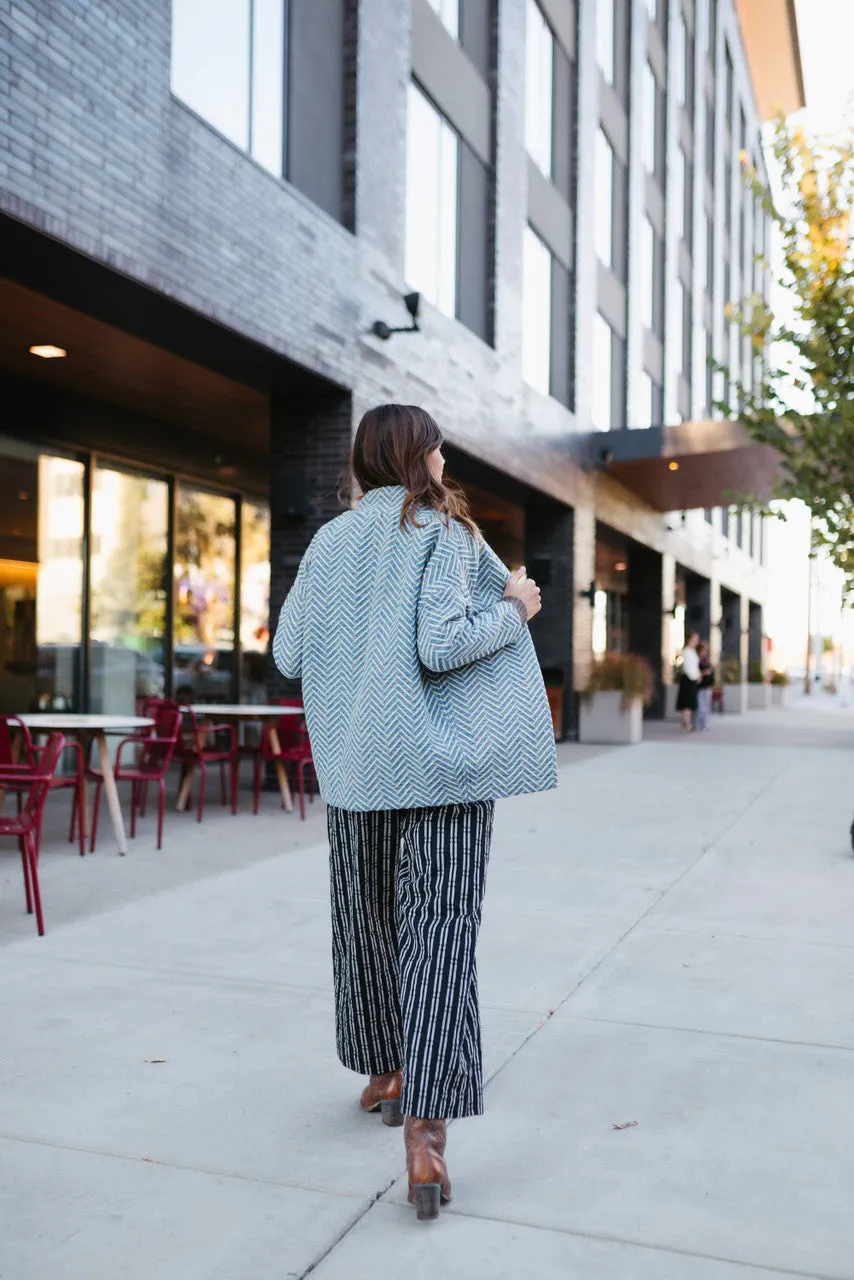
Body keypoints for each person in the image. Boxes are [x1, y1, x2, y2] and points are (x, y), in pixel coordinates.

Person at [272, 404, 558, 1220]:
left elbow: (289, 654)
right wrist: (516, 608)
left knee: (364, 924)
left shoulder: (328, 543)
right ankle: (425, 1139)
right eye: (437, 447)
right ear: (418, 456)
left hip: (358, 774)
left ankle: (385, 1074)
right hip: (438, 772)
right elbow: (442, 644)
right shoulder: (441, 531)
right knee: (438, 933)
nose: (443, 459)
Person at [676, 631, 701, 732]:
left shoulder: (693, 651)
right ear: (690, 639)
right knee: (687, 702)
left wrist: (698, 675)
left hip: (693, 679)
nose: (697, 641)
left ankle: (687, 722)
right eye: (695, 638)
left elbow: (695, 666)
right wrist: (695, 676)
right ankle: (687, 723)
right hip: (688, 679)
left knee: (690, 703)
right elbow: (688, 668)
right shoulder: (686, 651)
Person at [695, 641, 714, 730]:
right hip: (700, 687)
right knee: (701, 706)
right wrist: (704, 673)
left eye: (706, 651)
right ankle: (699, 724)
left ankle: (705, 723)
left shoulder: (706, 661)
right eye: (703, 651)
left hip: (707, 686)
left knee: (706, 706)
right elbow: (695, 674)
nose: (705, 653)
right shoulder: (696, 661)